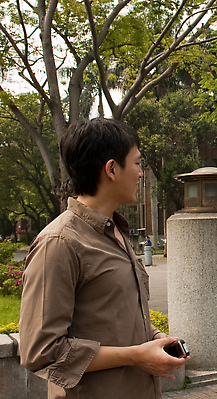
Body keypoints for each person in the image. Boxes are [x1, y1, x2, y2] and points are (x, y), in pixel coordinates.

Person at [19, 118, 188, 398]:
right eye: (137, 163)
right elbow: (41, 350)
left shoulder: (117, 233)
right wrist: (135, 355)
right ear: (112, 169)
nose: (140, 173)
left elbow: (112, 314)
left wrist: (154, 336)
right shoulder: (60, 243)